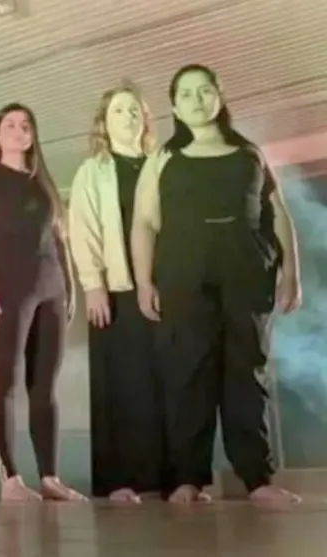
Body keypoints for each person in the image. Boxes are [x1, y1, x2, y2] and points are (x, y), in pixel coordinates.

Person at [130, 64, 302, 505]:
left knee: (247, 371)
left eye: (205, 91)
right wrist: (144, 281)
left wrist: (290, 274)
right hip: (183, 274)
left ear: (219, 98)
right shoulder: (163, 158)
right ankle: (188, 479)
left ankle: (258, 479)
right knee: (188, 372)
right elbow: (145, 223)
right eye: (186, 94)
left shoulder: (249, 153)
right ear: (174, 106)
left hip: (247, 271)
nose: (197, 100)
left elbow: (277, 213)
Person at [0, 103, 83, 502]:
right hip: (8, 288)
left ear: (33, 136)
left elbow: (58, 238)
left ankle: (50, 477)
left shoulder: (41, 182)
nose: (19, 130)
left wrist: (69, 286)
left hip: (51, 287)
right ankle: (10, 479)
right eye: (10, 125)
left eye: (25, 125)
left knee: (44, 385)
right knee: (6, 382)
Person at [68, 84, 169, 503]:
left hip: (165, 288)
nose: (127, 117)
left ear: (145, 119)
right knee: (121, 384)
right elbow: (83, 228)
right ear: (103, 124)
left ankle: (169, 480)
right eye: (117, 111)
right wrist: (93, 284)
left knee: (166, 382)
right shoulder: (92, 171)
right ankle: (119, 481)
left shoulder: (162, 164)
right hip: (116, 290)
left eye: (133, 110)